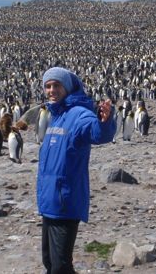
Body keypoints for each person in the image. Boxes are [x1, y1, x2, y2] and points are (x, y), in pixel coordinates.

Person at [37, 67, 115, 274]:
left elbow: (97, 133)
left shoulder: (78, 114)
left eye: (56, 85)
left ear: (67, 88)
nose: (51, 90)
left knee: (60, 266)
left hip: (65, 201)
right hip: (49, 201)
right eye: (48, 86)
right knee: (50, 262)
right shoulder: (57, 115)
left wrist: (105, 122)